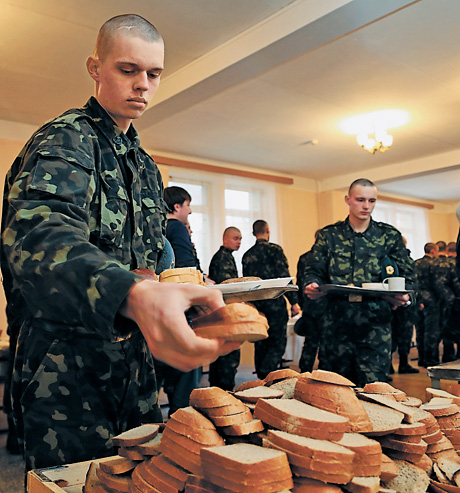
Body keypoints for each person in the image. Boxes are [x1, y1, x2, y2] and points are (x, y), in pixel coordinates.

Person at [0, 14, 238, 472]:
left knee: (142, 477)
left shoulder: (146, 168)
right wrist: (132, 293)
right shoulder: (67, 137)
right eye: (128, 70)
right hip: (65, 370)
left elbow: (143, 263)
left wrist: (175, 293)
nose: (143, 85)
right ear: (95, 67)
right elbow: (37, 238)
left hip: (133, 362)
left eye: (153, 73)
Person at [303, 178, 415, 387]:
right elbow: (313, 270)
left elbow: (409, 275)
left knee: (374, 392)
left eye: (372, 200)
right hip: (336, 327)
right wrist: (311, 285)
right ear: (348, 200)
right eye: (360, 199)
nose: (366, 206)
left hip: (375, 328)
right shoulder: (329, 236)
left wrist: (405, 296)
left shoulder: (389, 236)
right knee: (333, 392)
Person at [154, 186, 205, 416]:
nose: (190, 211)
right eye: (188, 205)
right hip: (179, 310)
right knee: (187, 371)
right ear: (177, 206)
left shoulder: (155, 227)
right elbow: (186, 267)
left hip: (156, 308)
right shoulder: (176, 226)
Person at [242, 220, 300, 379]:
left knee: (261, 341)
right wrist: (294, 301)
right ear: (267, 230)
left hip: (257, 306)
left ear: (254, 232)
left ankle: (261, 377)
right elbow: (284, 276)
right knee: (277, 342)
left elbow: (247, 283)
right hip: (274, 303)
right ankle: (268, 375)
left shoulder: (247, 255)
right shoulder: (275, 250)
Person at [208, 227, 243, 390]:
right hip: (225, 313)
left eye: (241, 239)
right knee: (227, 357)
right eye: (236, 238)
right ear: (225, 239)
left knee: (223, 357)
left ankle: (221, 389)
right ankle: (224, 392)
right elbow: (226, 289)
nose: (239, 242)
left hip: (222, 313)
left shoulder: (226, 257)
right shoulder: (222, 258)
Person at [294, 231, 327, 373]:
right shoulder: (329, 258)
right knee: (326, 343)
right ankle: (324, 374)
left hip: (309, 305)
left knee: (310, 342)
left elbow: (299, 284)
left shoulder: (304, 258)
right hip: (327, 307)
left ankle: (304, 372)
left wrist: (302, 304)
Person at [415, 242, 440, 367]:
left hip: (417, 300)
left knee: (420, 330)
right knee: (431, 331)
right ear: (433, 251)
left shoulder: (416, 263)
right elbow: (437, 284)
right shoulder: (434, 264)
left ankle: (421, 358)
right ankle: (430, 360)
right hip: (431, 301)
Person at [433, 241, 457, 362]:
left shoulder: (435, 263)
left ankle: (447, 355)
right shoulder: (453, 264)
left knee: (444, 329)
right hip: (452, 301)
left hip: (439, 301)